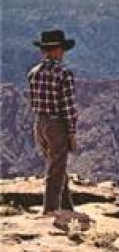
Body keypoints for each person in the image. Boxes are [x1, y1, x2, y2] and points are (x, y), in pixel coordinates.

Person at [27, 28, 79, 215]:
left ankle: (66, 207)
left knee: (56, 163)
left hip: (39, 123)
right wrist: (72, 133)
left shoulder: (33, 72)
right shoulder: (63, 73)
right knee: (56, 169)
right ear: (57, 50)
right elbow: (68, 107)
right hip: (57, 124)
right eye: (62, 49)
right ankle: (49, 211)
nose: (63, 53)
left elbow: (33, 101)